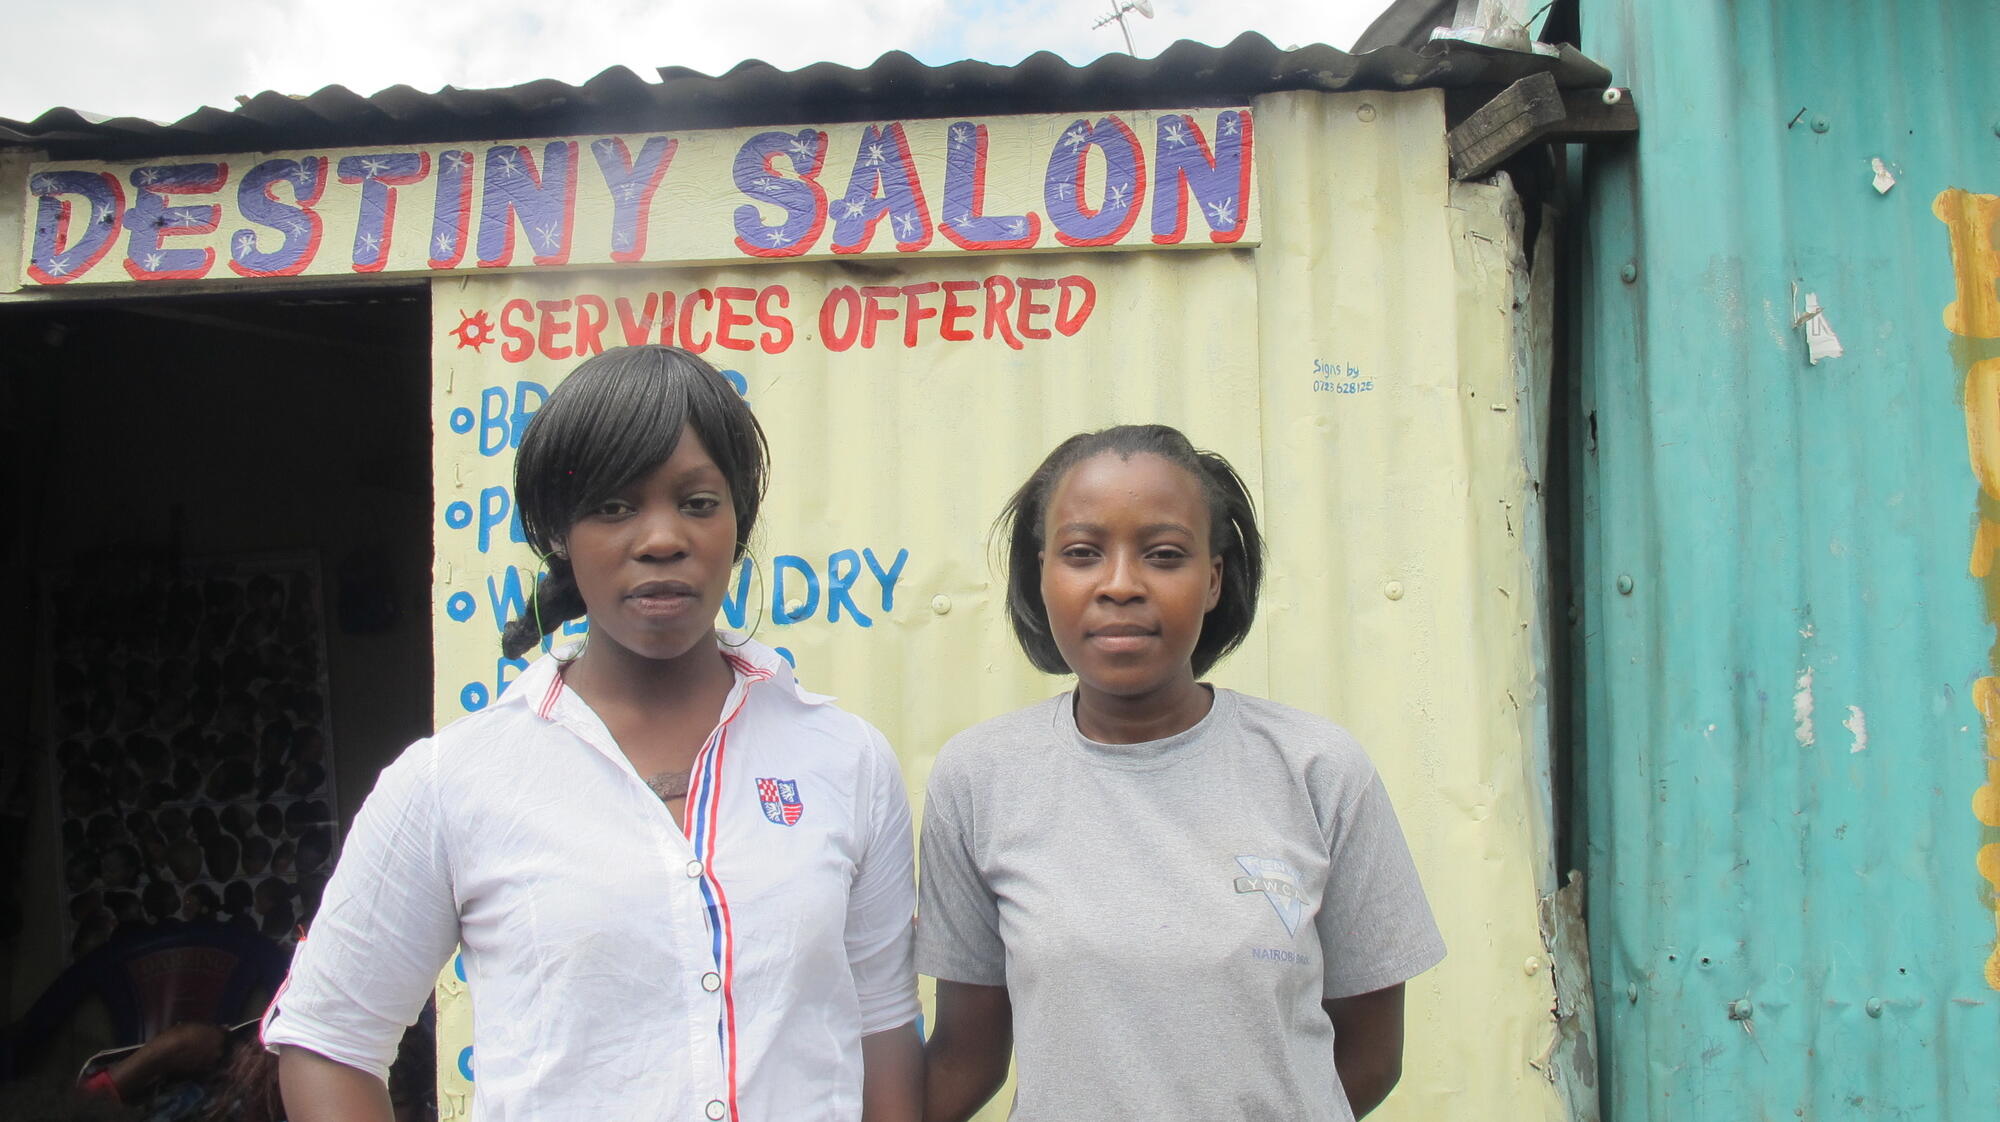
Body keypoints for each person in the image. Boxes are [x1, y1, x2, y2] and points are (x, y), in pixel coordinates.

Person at [266, 346, 922, 1121]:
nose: (660, 538)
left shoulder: (844, 760)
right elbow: (328, 1043)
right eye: (613, 506)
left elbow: (884, 1033)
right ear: (558, 535)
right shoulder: (455, 780)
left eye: (698, 502)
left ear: (738, 523)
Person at [917, 424, 1445, 1121]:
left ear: (1213, 579)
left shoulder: (1318, 771)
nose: (1120, 586)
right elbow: (964, 1055)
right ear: (1042, 574)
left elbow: (1372, 1053)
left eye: (1164, 555)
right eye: (1081, 554)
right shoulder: (980, 779)